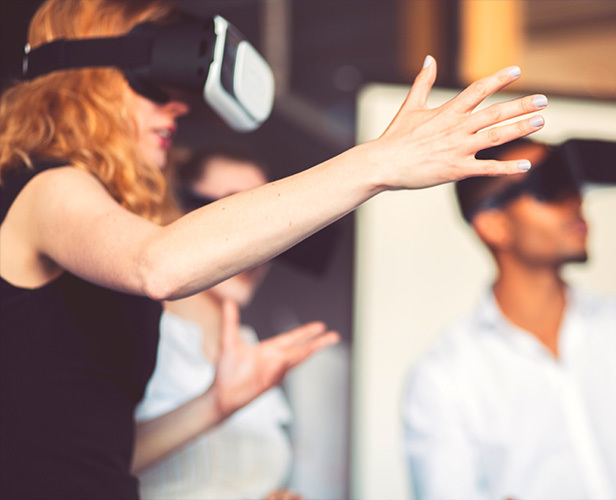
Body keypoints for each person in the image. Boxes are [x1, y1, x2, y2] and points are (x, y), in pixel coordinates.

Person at [0, 1, 547, 498]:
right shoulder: (46, 186)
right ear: (82, 85)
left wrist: (215, 404)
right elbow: (158, 266)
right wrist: (379, 163)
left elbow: (94, 457)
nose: (178, 108)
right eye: (153, 88)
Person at [402, 138, 616, 500]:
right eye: (549, 187)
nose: (575, 202)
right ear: (493, 225)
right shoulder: (445, 379)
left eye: (574, 185)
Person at [133, 151, 302, 500]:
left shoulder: (254, 350)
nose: (254, 244)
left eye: (269, 222)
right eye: (233, 216)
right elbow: (85, 462)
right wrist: (213, 404)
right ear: (178, 216)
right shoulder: (136, 335)